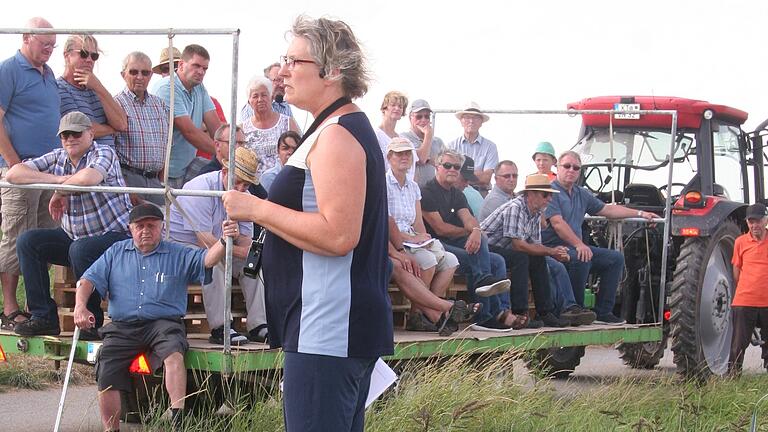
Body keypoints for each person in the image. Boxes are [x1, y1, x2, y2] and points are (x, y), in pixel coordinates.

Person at [221, 16, 393, 432]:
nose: (282, 72)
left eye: (294, 61)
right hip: (329, 326)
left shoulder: (336, 135)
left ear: (332, 71)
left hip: (328, 327)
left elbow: (339, 234)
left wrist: (255, 210)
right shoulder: (333, 128)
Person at [73, 203, 239, 431]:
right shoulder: (115, 252)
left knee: (174, 354)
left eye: (151, 225)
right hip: (123, 326)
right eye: (139, 226)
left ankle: (178, 417)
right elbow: (87, 280)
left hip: (164, 323)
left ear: (161, 227)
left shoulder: (177, 253)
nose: (145, 231)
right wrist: (80, 307)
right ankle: (110, 429)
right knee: (106, 365)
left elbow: (208, 260)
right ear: (130, 228)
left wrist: (223, 240)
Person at [6, 112, 132, 337]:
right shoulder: (57, 157)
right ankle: (43, 316)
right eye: (65, 135)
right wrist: (57, 183)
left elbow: (88, 179)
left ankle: (90, 320)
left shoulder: (104, 152)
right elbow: (14, 173)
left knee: (81, 248)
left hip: (117, 237)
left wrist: (60, 191)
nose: (70, 139)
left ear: (91, 134)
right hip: (77, 238)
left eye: (76, 133)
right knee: (28, 241)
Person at [541, 150, 658, 325]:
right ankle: (574, 310)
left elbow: (608, 210)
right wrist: (580, 244)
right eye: (566, 166)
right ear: (557, 167)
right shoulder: (550, 192)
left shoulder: (581, 193)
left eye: (576, 167)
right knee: (582, 256)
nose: (571, 170)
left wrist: (641, 213)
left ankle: (603, 312)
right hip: (552, 249)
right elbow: (558, 224)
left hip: (574, 248)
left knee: (615, 259)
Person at [168, 147, 267, 345]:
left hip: (218, 243)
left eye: (245, 185)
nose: (240, 189)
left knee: (254, 263)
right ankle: (220, 327)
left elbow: (245, 239)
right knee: (215, 261)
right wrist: (245, 250)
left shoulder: (243, 196)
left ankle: (258, 324)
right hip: (181, 247)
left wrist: (250, 251)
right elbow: (204, 241)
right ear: (224, 172)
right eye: (236, 182)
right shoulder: (200, 188)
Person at [0, 17, 61, 330]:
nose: (49, 50)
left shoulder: (49, 74)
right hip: (19, 169)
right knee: (16, 235)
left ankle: (36, 305)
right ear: (26, 38)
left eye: (53, 45)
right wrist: (13, 164)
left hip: (47, 171)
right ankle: (9, 307)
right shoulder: (9, 69)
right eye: (43, 44)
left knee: (42, 238)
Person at [420, 150, 523, 330]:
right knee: (480, 261)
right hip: (433, 244)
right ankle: (484, 317)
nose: (452, 169)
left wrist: (475, 230)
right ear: (437, 167)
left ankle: (498, 311)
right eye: (447, 165)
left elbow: (468, 218)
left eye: (456, 167)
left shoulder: (457, 194)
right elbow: (440, 228)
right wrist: (469, 231)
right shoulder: (427, 191)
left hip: (451, 244)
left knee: (495, 258)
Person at [481, 174, 593, 327]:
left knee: (538, 258)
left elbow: (535, 245)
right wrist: (551, 251)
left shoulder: (535, 212)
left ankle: (545, 312)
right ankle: (521, 312)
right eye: (546, 195)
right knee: (521, 258)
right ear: (531, 194)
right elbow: (518, 245)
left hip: (503, 248)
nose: (549, 199)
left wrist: (554, 251)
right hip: (485, 248)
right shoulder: (515, 208)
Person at [385, 138, 460, 324]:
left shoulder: (413, 187)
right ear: (389, 157)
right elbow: (385, 224)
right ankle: (419, 315)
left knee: (451, 260)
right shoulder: (383, 184)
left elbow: (418, 222)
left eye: (407, 153)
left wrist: (423, 238)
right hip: (394, 240)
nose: (404, 157)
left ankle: (424, 312)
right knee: (427, 260)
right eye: (399, 153)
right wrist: (413, 238)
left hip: (411, 239)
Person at [155, 44, 221, 187]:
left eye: (204, 68)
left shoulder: (199, 88)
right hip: (164, 172)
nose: (201, 72)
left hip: (186, 166)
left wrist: (233, 150)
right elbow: (189, 132)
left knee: (221, 177)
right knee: (168, 209)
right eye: (196, 66)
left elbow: (216, 127)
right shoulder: (166, 88)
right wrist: (225, 153)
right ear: (181, 65)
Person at [113, 51, 169, 206]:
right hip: (129, 179)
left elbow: (166, 144)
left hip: (155, 182)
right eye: (133, 72)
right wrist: (123, 186)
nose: (139, 77)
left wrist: (162, 181)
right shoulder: (115, 104)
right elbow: (110, 147)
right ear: (123, 74)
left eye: (144, 73)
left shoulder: (160, 105)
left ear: (150, 75)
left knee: (161, 227)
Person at [57, 34, 127, 146]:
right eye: (83, 54)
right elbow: (78, 128)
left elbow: (122, 124)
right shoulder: (59, 88)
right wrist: (111, 129)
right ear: (67, 56)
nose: (89, 60)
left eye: (94, 56)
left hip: (108, 159)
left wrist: (99, 87)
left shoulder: (94, 88)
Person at [728, 203, 768, 374]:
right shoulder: (740, 242)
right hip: (745, 301)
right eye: (751, 222)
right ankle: (733, 377)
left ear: (765, 221)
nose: (754, 226)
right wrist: (747, 288)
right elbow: (736, 271)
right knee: (738, 343)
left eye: (757, 221)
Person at [241, 76, 299, 177]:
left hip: (282, 182)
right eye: (255, 96)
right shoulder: (242, 129)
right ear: (249, 101)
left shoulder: (288, 123)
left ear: (271, 97)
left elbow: (299, 153)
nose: (260, 100)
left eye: (264, 95)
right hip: (253, 186)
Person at [448, 102, 498, 194]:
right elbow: (449, 175)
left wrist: (461, 175)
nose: (471, 121)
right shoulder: (451, 146)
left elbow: (486, 178)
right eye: (467, 117)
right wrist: (478, 174)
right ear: (461, 121)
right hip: (456, 192)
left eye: (475, 117)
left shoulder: (490, 146)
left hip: (481, 193)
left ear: (481, 122)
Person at [400, 99, 445, 187]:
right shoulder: (404, 138)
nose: (423, 120)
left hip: (432, 193)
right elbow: (421, 159)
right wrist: (428, 136)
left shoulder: (438, 142)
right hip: (413, 192)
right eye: (419, 117)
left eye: (427, 116)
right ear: (410, 118)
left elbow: (445, 165)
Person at [375, 91, 410, 171]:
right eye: (393, 105)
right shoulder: (375, 136)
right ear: (384, 108)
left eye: (400, 106)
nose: (397, 108)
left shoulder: (403, 140)